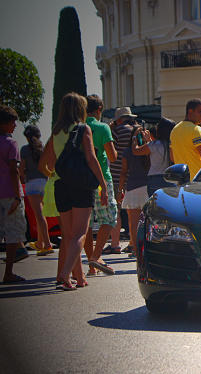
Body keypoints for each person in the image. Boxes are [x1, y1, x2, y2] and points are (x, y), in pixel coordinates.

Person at [39, 93, 108, 290]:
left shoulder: (56, 131)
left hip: (61, 184)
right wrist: (102, 184)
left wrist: (52, 174)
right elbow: (91, 159)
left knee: (68, 235)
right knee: (80, 233)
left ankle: (77, 278)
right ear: (81, 109)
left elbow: (45, 163)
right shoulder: (82, 128)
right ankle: (64, 273)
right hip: (80, 184)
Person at [83, 95, 118, 276]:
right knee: (110, 218)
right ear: (99, 109)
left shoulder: (79, 128)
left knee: (87, 224)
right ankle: (96, 256)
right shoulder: (102, 127)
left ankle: (91, 266)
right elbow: (112, 157)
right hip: (101, 179)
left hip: (82, 181)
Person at [0, 105, 28, 284]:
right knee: (12, 233)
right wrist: (18, 195)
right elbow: (13, 170)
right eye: (12, 122)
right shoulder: (11, 144)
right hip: (9, 193)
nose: (15, 125)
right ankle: (8, 272)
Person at [104, 106, 137, 255]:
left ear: (118, 120)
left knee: (115, 210)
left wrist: (111, 128)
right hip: (135, 175)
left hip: (117, 175)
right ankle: (132, 242)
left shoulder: (116, 131)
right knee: (133, 211)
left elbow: (112, 153)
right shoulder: (137, 130)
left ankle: (115, 244)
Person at [19, 124, 53, 256]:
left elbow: (21, 168)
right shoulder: (42, 148)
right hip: (44, 182)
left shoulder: (24, 149)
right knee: (41, 215)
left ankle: (47, 244)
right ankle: (40, 242)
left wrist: (22, 177)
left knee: (39, 216)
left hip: (32, 183)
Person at [118, 127, 150, 258]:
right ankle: (147, 249)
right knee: (148, 222)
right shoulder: (149, 149)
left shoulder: (127, 151)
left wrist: (120, 189)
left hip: (132, 188)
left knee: (133, 223)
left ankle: (136, 250)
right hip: (148, 187)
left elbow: (124, 171)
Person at [132, 117, 176, 197]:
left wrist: (134, 136)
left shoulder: (154, 145)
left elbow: (136, 151)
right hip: (171, 179)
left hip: (154, 179)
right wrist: (149, 140)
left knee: (155, 206)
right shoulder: (173, 145)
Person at [170, 98, 201, 180]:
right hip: (199, 177)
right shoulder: (196, 129)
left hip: (182, 179)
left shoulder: (175, 130)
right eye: (199, 111)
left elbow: (172, 157)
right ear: (190, 111)